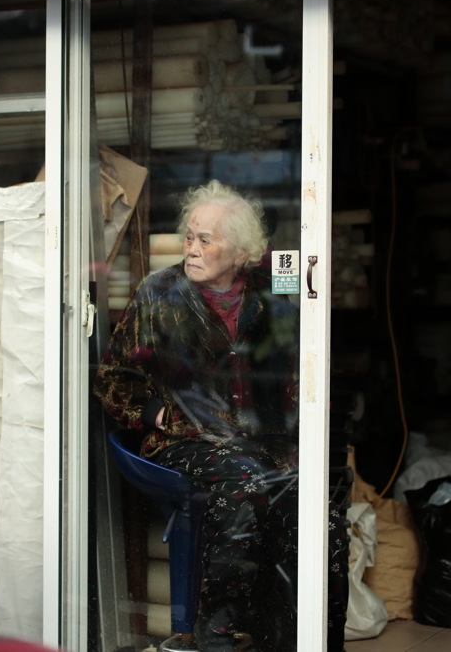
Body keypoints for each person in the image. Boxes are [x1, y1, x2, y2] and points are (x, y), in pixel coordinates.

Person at [95, 180, 348, 652]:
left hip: (260, 444)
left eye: (205, 240)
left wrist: (301, 440)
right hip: (182, 440)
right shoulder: (160, 294)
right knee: (246, 482)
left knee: (319, 510)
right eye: (189, 237)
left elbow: (299, 371)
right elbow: (113, 378)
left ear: (240, 253)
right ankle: (220, 633)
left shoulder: (268, 300)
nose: (191, 249)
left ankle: (305, 638)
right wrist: (159, 415)